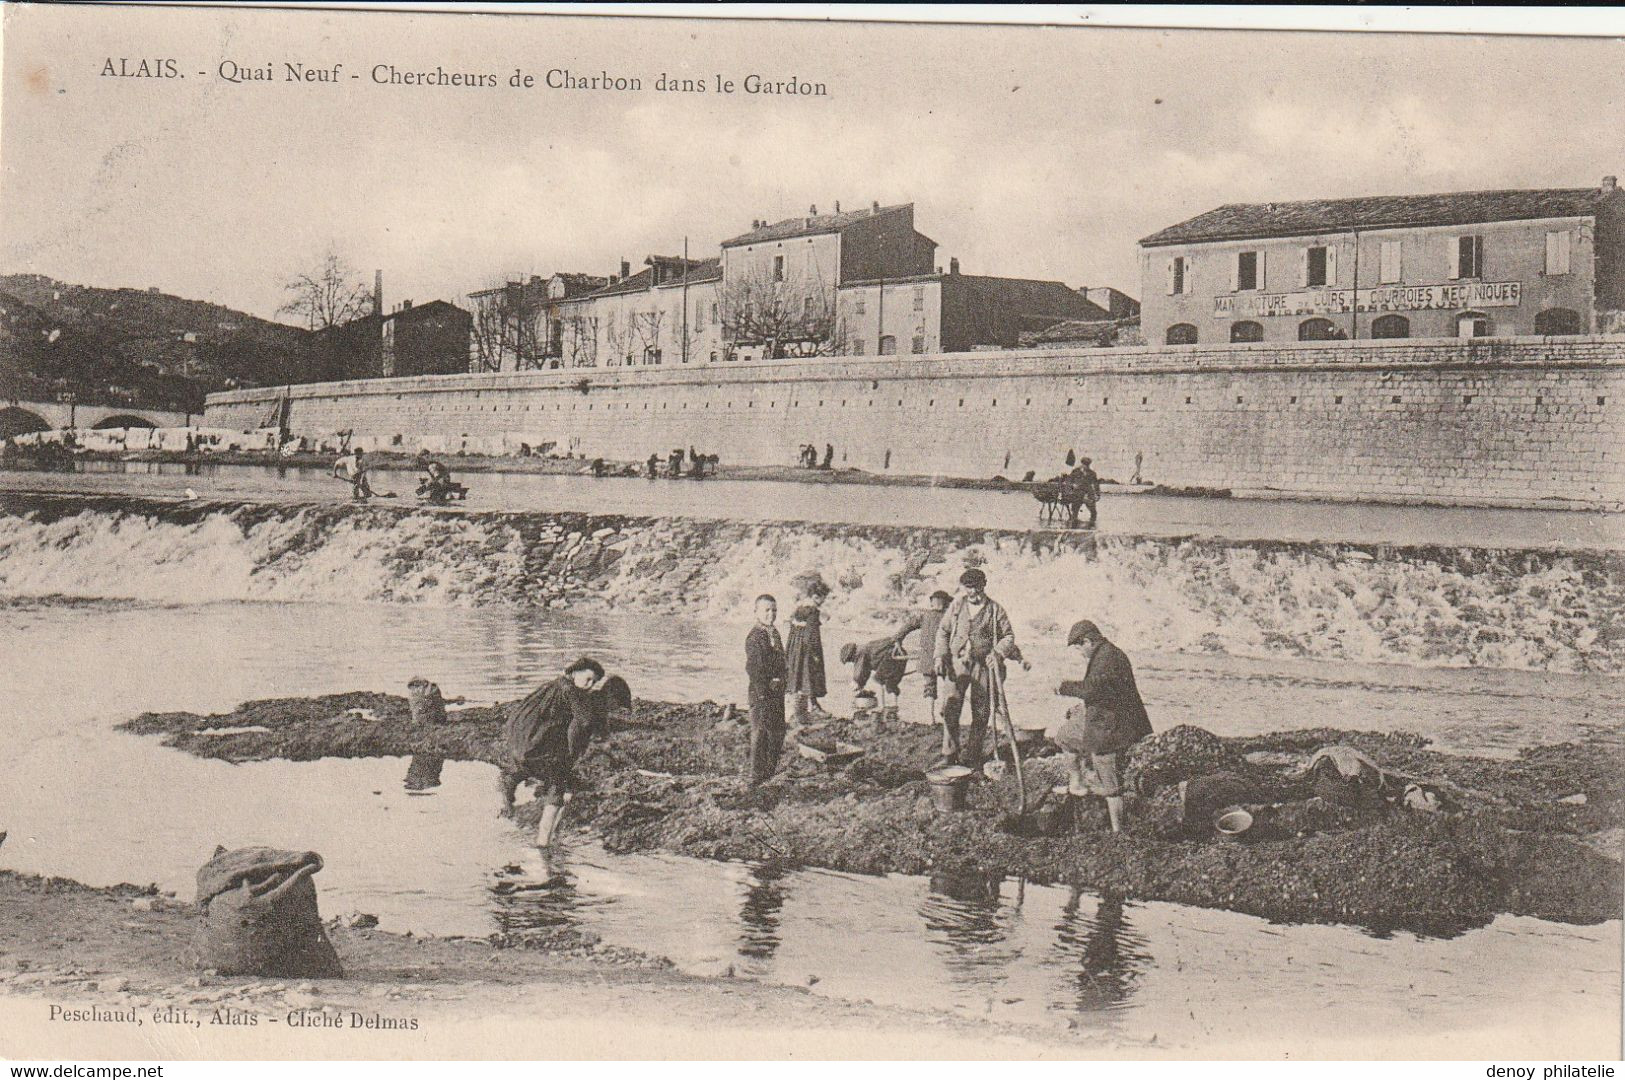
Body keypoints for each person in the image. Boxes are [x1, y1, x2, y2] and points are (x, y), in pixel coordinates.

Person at [1052, 621, 1151, 833]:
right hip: (1101, 714)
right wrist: (1081, 707)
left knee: (1109, 778)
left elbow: (1094, 689)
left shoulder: (1109, 658)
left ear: (1088, 641)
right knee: (1064, 736)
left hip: (1117, 723)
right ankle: (1077, 782)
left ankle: (1118, 831)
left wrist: (1064, 687)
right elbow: (1100, 690)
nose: (1079, 653)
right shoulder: (1103, 653)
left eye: (1079, 647)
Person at [499, 657, 606, 849]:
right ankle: (543, 843)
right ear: (575, 672)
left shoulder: (552, 685)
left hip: (520, 741)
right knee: (558, 783)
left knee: (543, 774)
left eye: (594, 682)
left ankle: (509, 792)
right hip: (535, 746)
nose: (590, 685)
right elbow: (584, 721)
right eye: (588, 678)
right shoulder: (570, 690)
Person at [933, 569, 1027, 772]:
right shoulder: (957, 606)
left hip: (984, 666)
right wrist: (940, 656)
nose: (972, 592)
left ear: (984, 585)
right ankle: (949, 754)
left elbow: (1008, 636)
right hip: (958, 663)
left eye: (976, 587)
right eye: (968, 588)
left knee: (981, 712)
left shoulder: (995, 610)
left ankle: (972, 755)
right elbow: (943, 631)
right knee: (950, 708)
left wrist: (998, 652)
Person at [745, 594, 788, 786]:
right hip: (761, 692)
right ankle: (756, 776)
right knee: (760, 733)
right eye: (767, 610)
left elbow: (781, 660)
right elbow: (754, 669)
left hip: (776, 691)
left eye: (774, 610)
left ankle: (770, 771)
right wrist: (763, 692)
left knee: (777, 731)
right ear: (756, 612)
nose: (771, 614)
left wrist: (782, 680)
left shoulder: (774, 633)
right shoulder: (755, 637)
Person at [785, 584, 830, 725]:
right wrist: (815, 653)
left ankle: (800, 707)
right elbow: (812, 635)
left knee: (799, 677)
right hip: (807, 650)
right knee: (810, 676)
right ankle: (813, 707)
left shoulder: (799, 609)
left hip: (795, 648)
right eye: (823, 598)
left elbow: (791, 626)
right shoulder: (813, 611)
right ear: (817, 597)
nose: (823, 601)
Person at [1068, 456, 1101, 527]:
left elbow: (1096, 484)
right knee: (1075, 512)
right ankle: (1073, 528)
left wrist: (1098, 495)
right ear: (1082, 464)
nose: (1086, 466)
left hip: (1088, 494)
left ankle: (1091, 526)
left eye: (1087, 465)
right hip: (1077, 494)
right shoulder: (1075, 471)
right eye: (1084, 464)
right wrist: (1072, 486)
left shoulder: (1092, 473)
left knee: (1093, 512)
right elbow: (1069, 481)